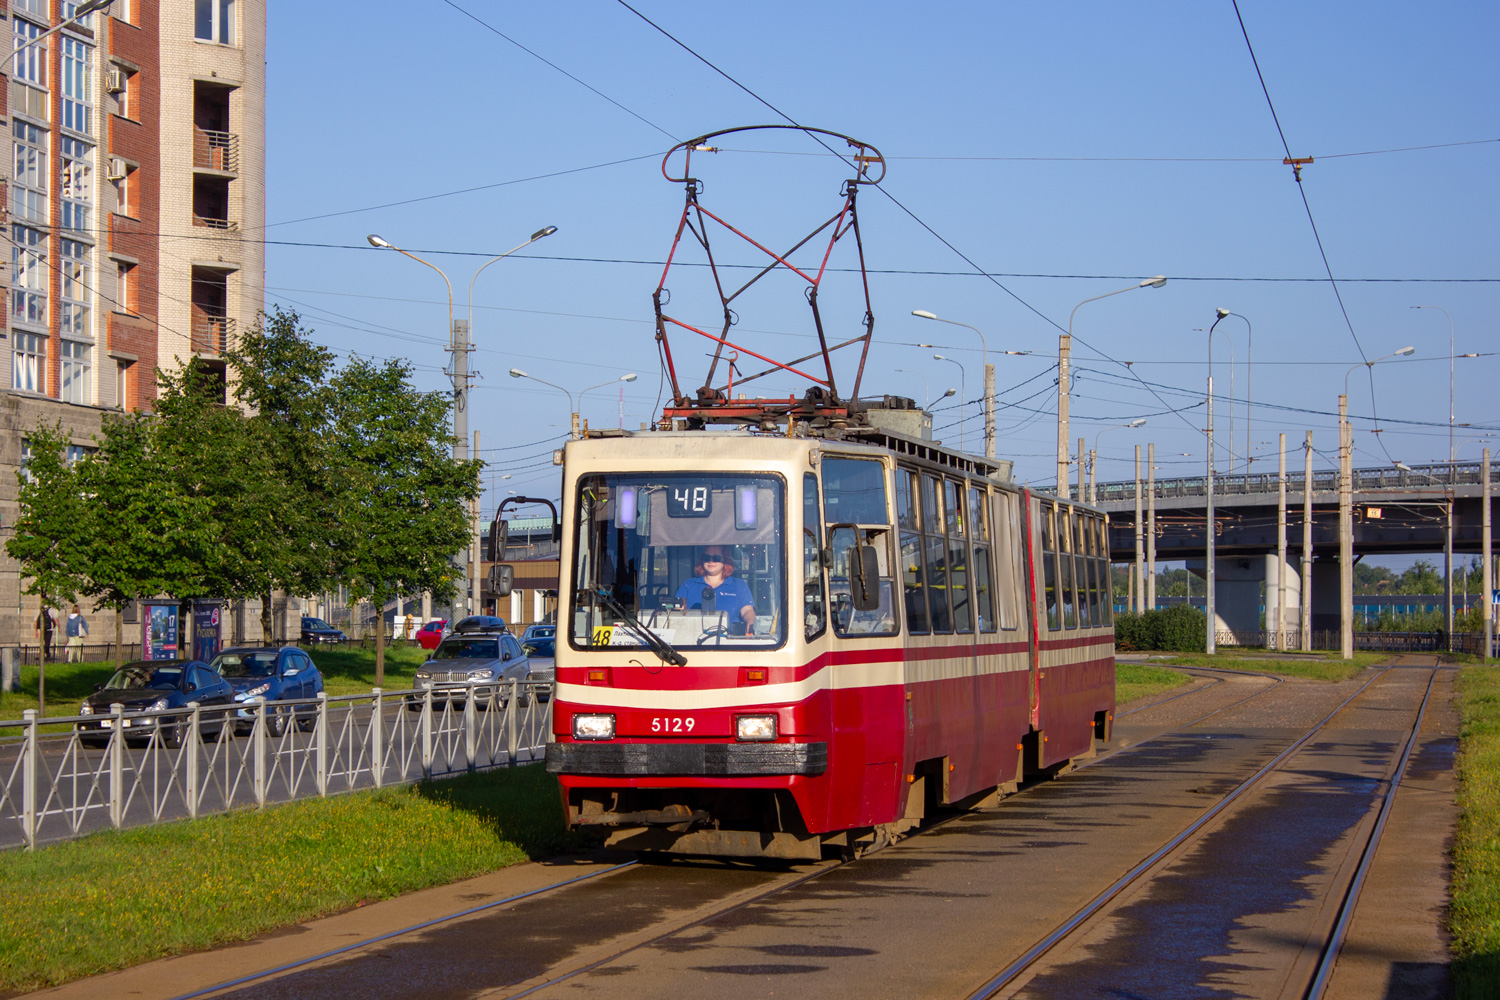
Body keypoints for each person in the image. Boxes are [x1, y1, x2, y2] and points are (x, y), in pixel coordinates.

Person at [674, 546, 756, 632]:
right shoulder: (688, 585)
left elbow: (747, 610)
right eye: (707, 557)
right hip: (693, 639)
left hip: (728, 640)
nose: (711, 561)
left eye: (716, 558)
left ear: (725, 560)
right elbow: (677, 612)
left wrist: (750, 623)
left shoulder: (739, 585)